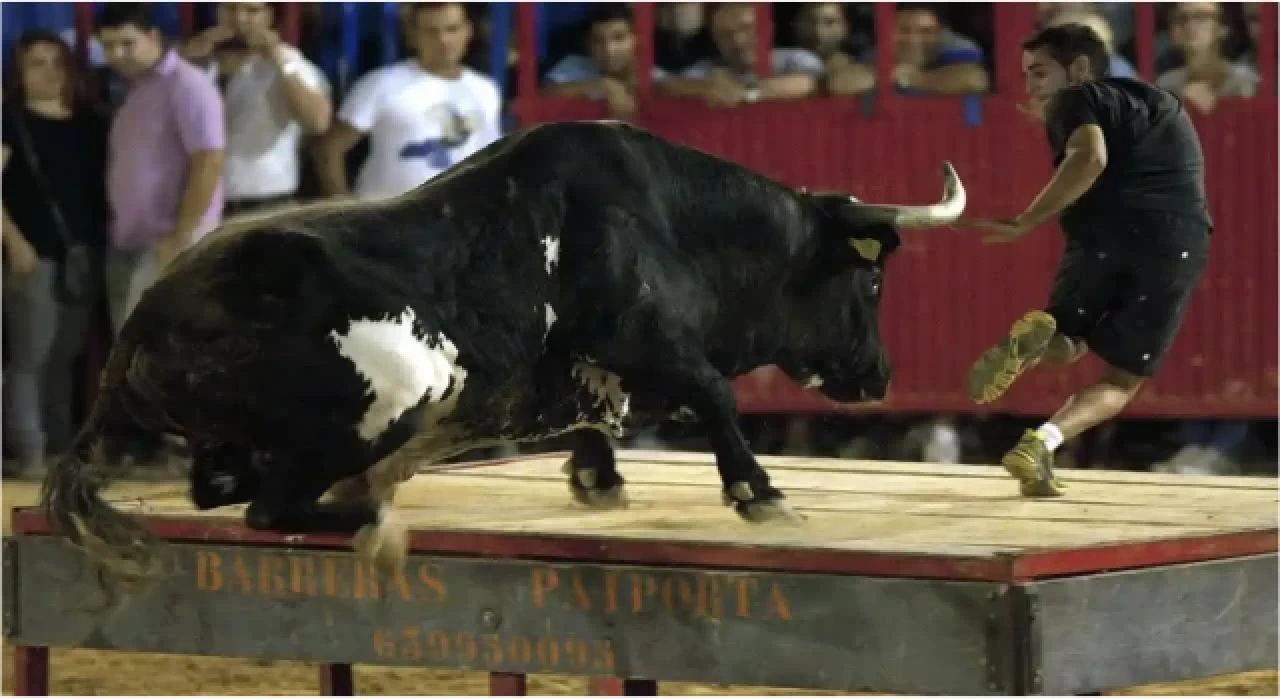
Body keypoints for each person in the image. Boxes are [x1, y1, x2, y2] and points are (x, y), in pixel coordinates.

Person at [958, 23, 1212, 497]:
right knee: (1121, 380)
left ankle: (1038, 343)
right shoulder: (1160, 101)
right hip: (1172, 239)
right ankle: (1042, 442)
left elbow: (1090, 157)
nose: (1031, 86)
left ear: (1077, 68)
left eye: (1039, 73)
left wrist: (1025, 221)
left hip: (1100, 234)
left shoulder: (1076, 98)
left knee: (1068, 335)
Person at [2, 31, 110, 478]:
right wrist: (13, 241)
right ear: (19, 73)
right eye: (36, 63)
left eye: (56, 62)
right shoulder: (10, 121)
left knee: (65, 356)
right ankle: (29, 452)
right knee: (31, 357)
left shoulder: (89, 121)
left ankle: (60, 446)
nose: (48, 72)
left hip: (82, 256)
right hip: (34, 256)